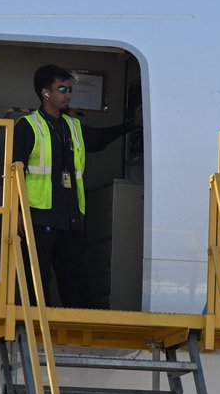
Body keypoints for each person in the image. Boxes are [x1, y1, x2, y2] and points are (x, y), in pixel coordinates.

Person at [10, 64, 137, 308]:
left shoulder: (73, 126)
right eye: (63, 89)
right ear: (46, 93)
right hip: (38, 216)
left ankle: (77, 328)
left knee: (76, 277)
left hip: (70, 218)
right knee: (37, 276)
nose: (69, 94)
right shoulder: (28, 126)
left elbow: (99, 140)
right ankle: (37, 324)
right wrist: (16, 211)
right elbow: (14, 172)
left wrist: (131, 124)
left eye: (70, 89)